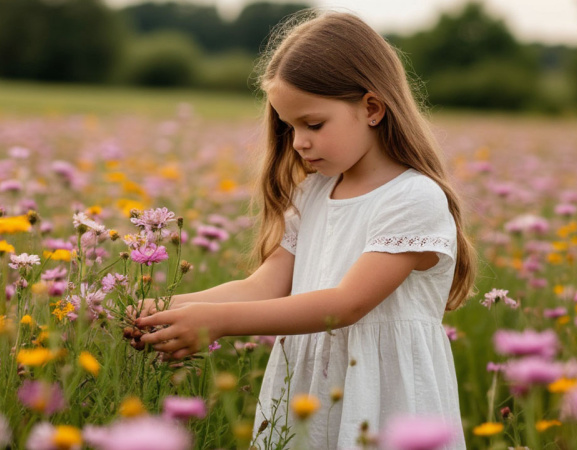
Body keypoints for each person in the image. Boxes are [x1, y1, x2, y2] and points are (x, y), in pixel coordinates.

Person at [136, 10, 476, 449]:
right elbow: (263, 287)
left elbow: (347, 305)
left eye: (313, 124)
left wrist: (216, 321)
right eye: (288, 126)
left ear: (372, 108)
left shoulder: (412, 198)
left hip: (385, 401)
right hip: (307, 396)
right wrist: (163, 309)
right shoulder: (312, 194)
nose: (298, 142)